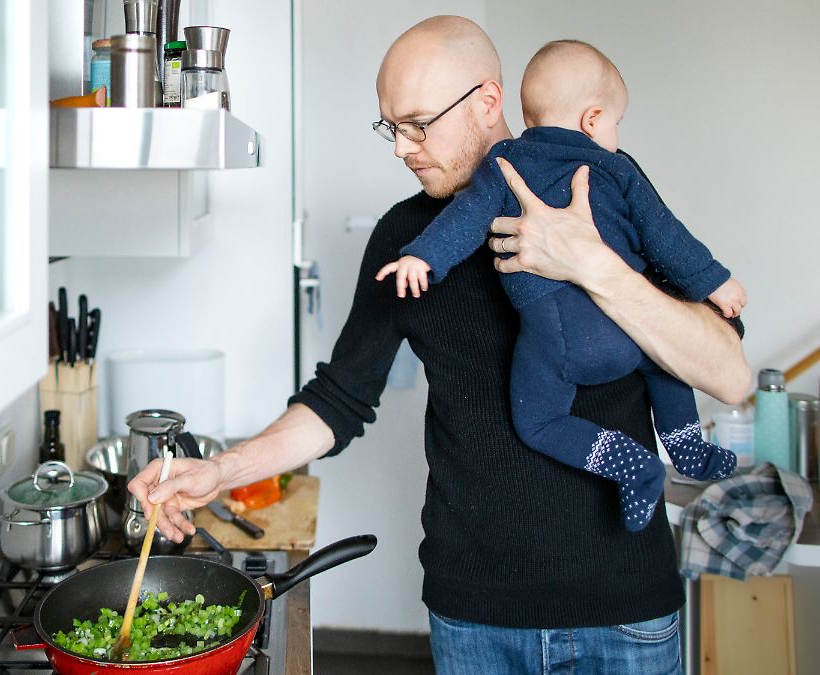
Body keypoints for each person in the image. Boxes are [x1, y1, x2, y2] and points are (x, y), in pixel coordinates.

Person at [130, 15, 751, 674]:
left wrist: (593, 265)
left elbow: (729, 374)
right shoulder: (407, 240)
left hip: (624, 608)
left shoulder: (603, 189)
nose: (402, 147)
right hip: (473, 616)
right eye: (390, 127)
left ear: (488, 101)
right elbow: (338, 399)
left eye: (418, 123)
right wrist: (220, 471)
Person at [374, 39, 743, 531]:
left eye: (416, 124)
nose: (403, 145)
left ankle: (630, 464)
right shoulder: (616, 167)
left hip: (558, 337)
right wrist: (714, 282)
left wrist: (422, 257)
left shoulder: (506, 164)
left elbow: (464, 222)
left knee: (539, 421)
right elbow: (667, 237)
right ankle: (687, 446)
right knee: (665, 365)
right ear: (593, 119)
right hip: (628, 339)